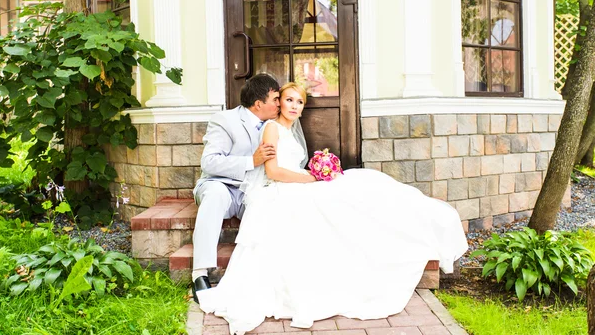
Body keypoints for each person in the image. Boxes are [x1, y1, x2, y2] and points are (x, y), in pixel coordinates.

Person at [197, 83, 469, 334]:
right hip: (282, 192)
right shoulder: (271, 128)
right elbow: (274, 172)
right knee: (340, 199)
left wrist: (321, 172)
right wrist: (311, 178)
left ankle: (415, 222)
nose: (294, 106)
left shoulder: (290, 130)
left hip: (297, 184)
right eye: (288, 100)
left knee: (361, 182)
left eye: (300, 102)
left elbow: (293, 166)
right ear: (278, 104)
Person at [191, 74, 308, 301]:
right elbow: (209, 162)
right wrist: (250, 161)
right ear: (258, 104)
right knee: (214, 196)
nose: (280, 103)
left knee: (276, 207)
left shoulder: (275, 125)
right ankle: (200, 273)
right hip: (221, 185)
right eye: (276, 99)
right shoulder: (224, 120)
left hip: (252, 190)